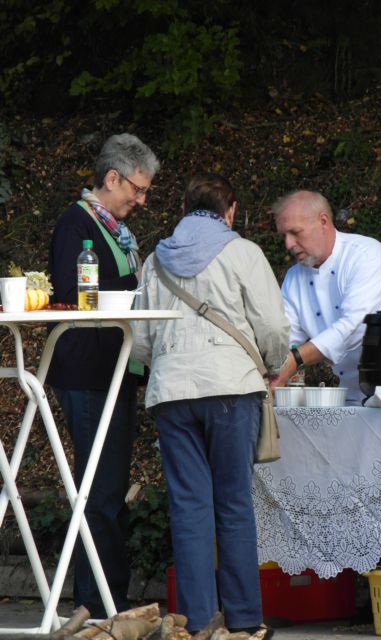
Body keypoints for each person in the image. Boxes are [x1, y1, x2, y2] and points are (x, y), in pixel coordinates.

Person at [133, 172, 289, 635]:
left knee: (189, 506)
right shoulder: (243, 252)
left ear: (183, 209)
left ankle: (198, 622)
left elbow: (140, 340)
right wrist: (272, 365)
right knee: (235, 504)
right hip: (231, 389)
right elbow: (274, 328)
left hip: (171, 394)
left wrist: (169, 362)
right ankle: (243, 620)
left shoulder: (154, 261)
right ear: (231, 210)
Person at [47, 133, 160, 617]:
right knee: (99, 489)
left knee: (108, 487)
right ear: (111, 178)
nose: (142, 198)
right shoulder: (77, 223)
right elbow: (75, 291)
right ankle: (96, 603)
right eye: (137, 188)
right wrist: (136, 286)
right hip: (88, 370)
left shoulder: (114, 229)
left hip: (117, 369)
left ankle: (106, 596)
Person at [271, 190, 381, 404]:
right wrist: (268, 368)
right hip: (353, 395)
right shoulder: (294, 278)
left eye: (296, 232)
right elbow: (284, 336)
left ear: (323, 221)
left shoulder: (365, 256)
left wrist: (296, 359)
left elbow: (355, 327)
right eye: (283, 236)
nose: (288, 244)